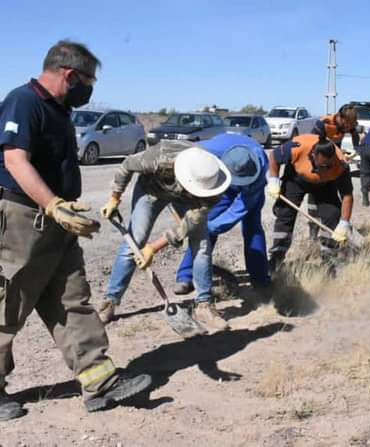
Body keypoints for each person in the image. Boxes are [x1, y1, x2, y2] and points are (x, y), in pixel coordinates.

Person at [0, 40, 151, 421]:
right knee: (8, 303)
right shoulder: (24, 101)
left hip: (59, 222)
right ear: (70, 74)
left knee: (73, 300)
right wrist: (52, 204)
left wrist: (64, 209)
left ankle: (100, 382)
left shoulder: (61, 109)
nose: (90, 90)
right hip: (24, 219)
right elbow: (15, 160)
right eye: (88, 82)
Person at [98, 141, 232, 331]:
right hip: (151, 192)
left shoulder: (213, 184)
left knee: (201, 246)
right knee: (135, 242)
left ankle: (204, 305)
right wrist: (114, 199)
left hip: (188, 201)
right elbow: (126, 165)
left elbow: (187, 226)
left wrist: (153, 248)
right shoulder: (160, 158)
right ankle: (110, 301)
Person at [174, 132, 271, 295]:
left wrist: (211, 227)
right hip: (222, 183)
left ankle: (260, 279)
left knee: (252, 228)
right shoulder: (207, 151)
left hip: (252, 188)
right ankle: (186, 276)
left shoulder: (259, 166)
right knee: (205, 224)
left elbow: (238, 210)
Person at [266, 134, 354, 273]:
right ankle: (277, 255)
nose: (323, 170)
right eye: (321, 166)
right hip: (296, 179)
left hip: (325, 186)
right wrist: (274, 180)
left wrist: (344, 222)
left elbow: (347, 196)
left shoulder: (341, 165)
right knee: (285, 213)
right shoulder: (296, 148)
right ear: (312, 155)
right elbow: (274, 157)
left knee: (332, 215)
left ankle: (328, 259)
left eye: (328, 166)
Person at [309, 105, 359, 238]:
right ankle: (313, 229)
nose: (348, 128)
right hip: (321, 160)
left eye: (351, 125)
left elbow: (355, 134)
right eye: (347, 124)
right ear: (340, 117)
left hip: (336, 160)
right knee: (316, 193)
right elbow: (314, 145)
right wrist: (334, 154)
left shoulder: (348, 123)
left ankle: (339, 223)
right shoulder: (323, 123)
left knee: (341, 191)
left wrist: (356, 149)